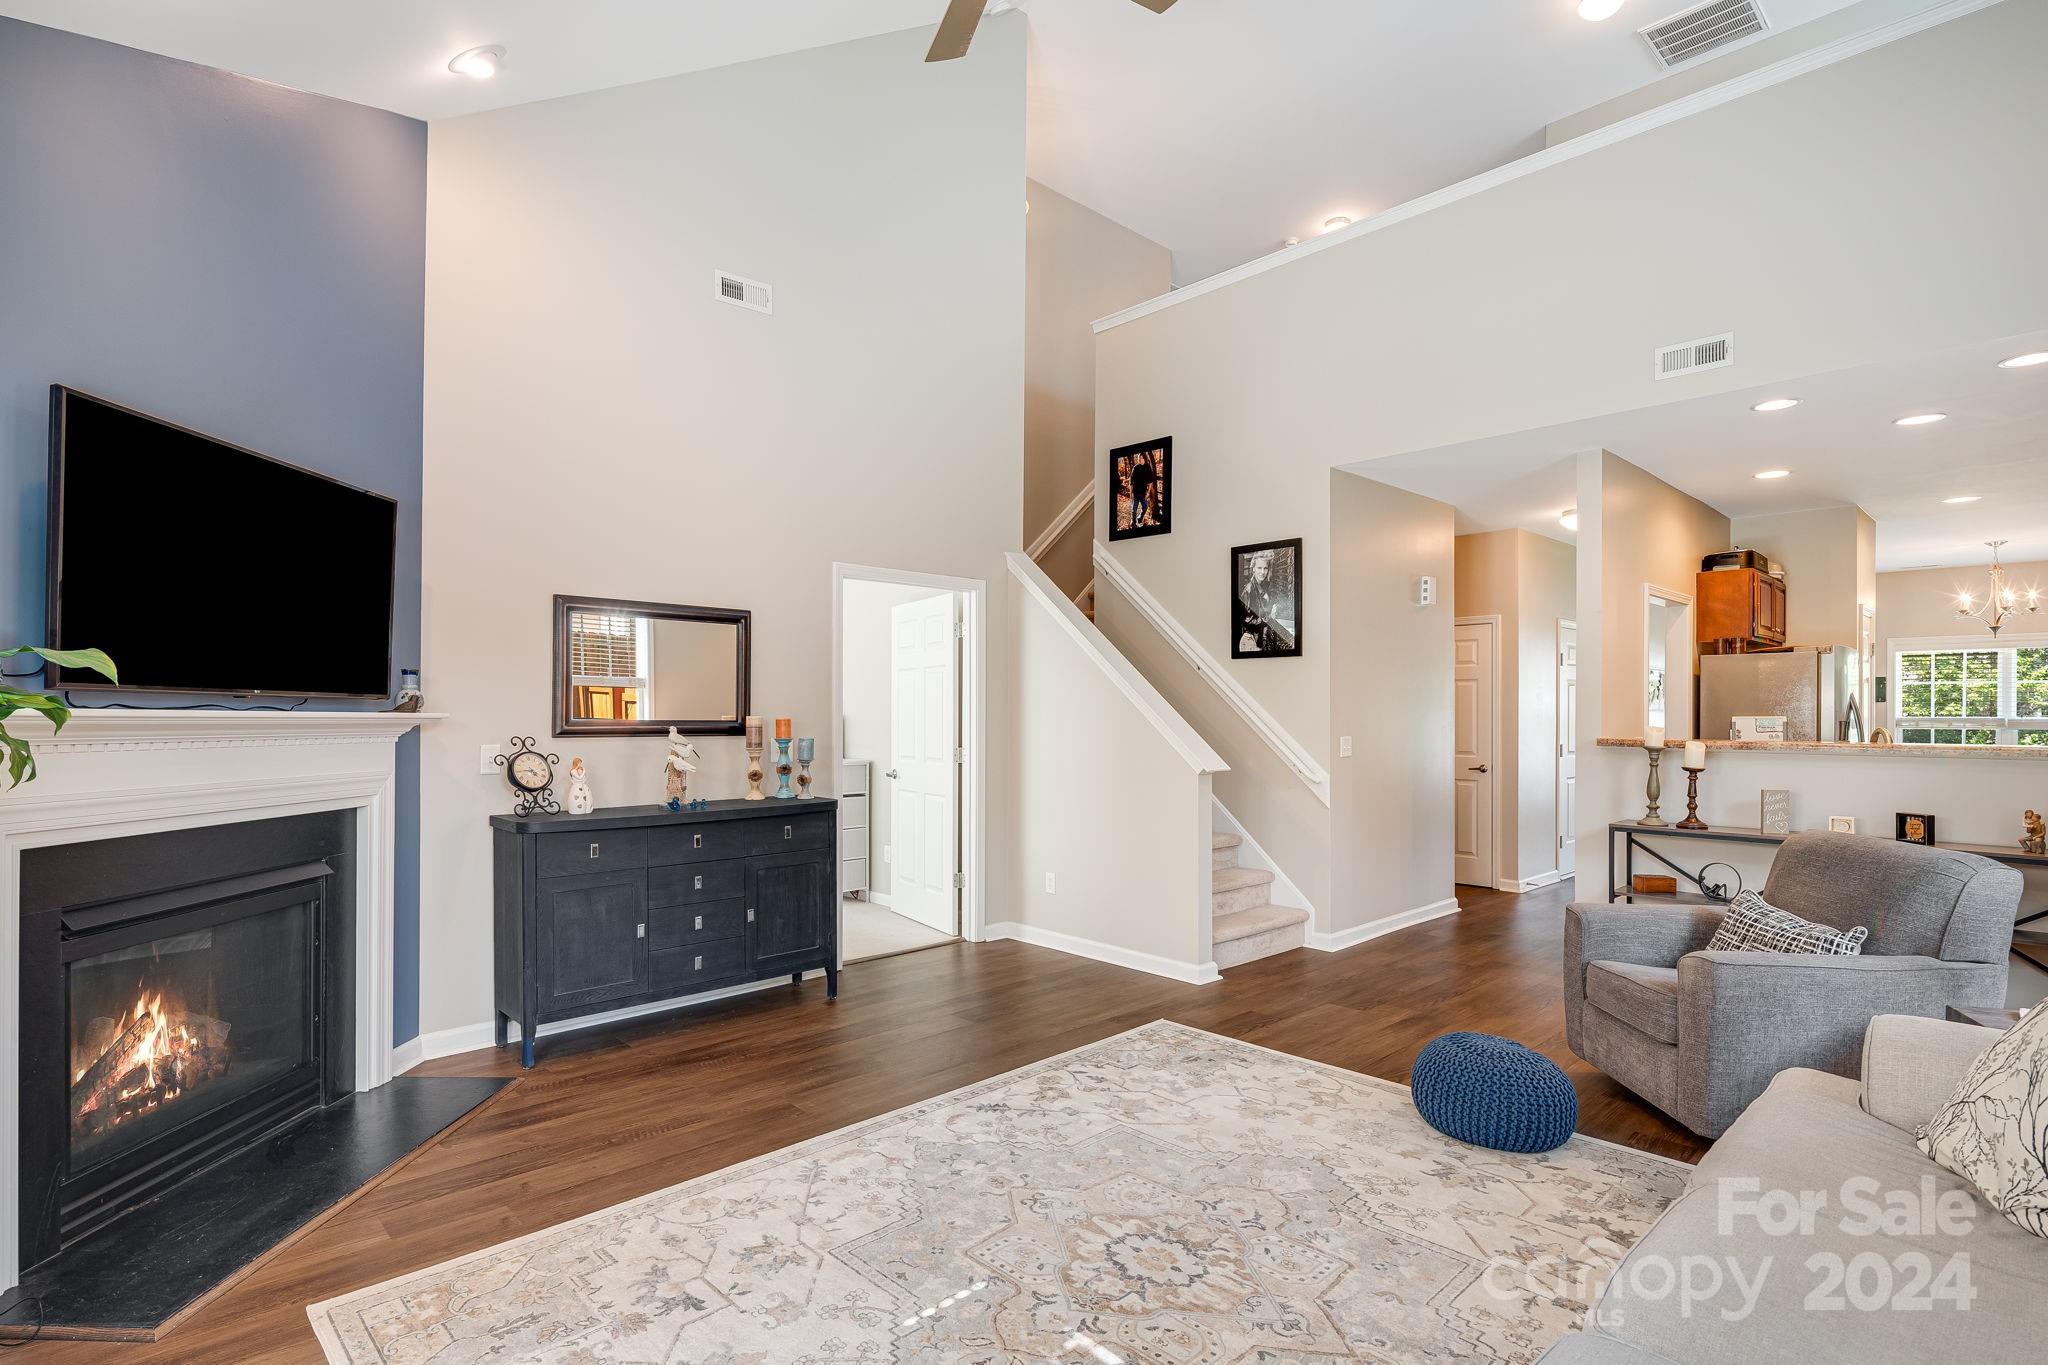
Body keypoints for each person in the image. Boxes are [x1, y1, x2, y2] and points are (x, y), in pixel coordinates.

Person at [1126, 451, 1157, 528]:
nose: (1139, 460)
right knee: (1134, 510)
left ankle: (1139, 518)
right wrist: (1131, 493)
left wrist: (1148, 492)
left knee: (1145, 507)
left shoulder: (1148, 467)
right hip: (1136, 492)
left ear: (1144, 459)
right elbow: (1131, 481)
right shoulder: (1135, 468)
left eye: (1140, 458)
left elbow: (1150, 482)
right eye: (1138, 458)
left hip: (1143, 493)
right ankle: (1133, 523)